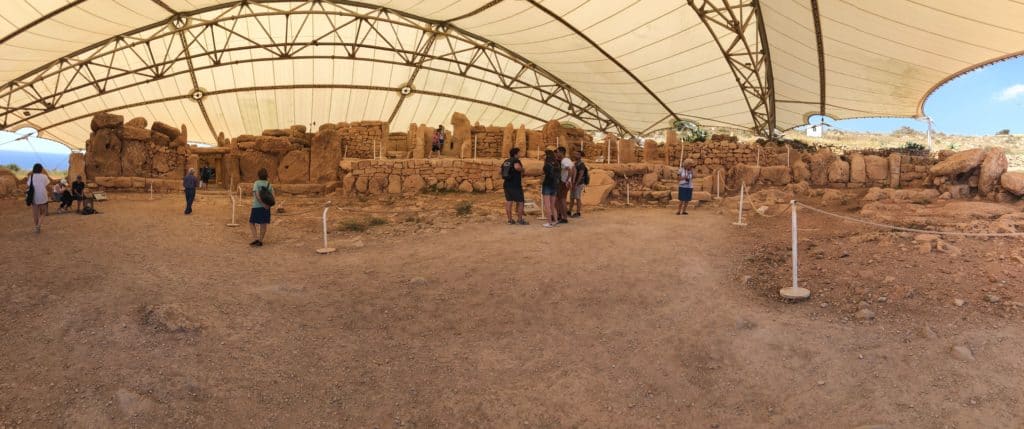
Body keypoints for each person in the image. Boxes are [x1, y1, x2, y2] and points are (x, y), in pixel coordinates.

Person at [249, 168, 274, 246]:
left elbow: (257, 195)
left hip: (256, 206)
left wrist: (262, 204)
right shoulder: (269, 184)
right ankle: (260, 240)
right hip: (266, 207)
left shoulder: (256, 183)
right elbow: (273, 196)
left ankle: (255, 238)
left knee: (251, 222)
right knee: (263, 223)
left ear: (258, 175)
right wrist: (267, 205)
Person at [501, 147, 526, 225]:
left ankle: (510, 220)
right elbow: (517, 167)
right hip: (515, 185)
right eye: (519, 153)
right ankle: (520, 220)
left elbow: (500, 171)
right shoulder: (516, 160)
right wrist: (523, 169)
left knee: (509, 201)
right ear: (516, 154)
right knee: (521, 202)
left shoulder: (506, 161)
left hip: (506, 184)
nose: (520, 154)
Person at [26, 163, 50, 233]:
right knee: (44, 212)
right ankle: (38, 225)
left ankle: (37, 227)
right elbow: (47, 186)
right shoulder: (44, 176)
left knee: (35, 213)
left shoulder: (31, 176)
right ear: (41, 169)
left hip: (34, 196)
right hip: (43, 195)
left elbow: (28, 186)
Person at [541, 148, 561, 228]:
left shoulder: (547, 165)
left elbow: (545, 174)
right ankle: (555, 221)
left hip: (547, 185)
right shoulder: (557, 164)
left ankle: (549, 222)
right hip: (555, 185)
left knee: (547, 205)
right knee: (553, 205)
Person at [556, 147, 574, 224]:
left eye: (557, 152)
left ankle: (564, 218)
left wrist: (567, 180)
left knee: (562, 199)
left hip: (563, 182)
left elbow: (570, 170)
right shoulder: (568, 160)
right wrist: (570, 180)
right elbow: (573, 169)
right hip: (566, 182)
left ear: (561, 152)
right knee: (561, 199)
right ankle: (561, 215)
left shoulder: (564, 161)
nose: (557, 153)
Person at [570, 151, 588, 218]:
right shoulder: (575, 163)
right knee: (572, 197)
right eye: (574, 154)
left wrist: (576, 183)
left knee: (577, 198)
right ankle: (569, 211)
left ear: (580, 156)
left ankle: (578, 212)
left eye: (577, 154)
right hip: (574, 183)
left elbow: (581, 175)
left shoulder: (581, 164)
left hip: (579, 183)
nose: (575, 155)